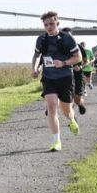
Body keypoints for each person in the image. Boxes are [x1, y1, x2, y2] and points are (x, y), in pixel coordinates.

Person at [31, 11, 82, 152]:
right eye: (46, 24)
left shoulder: (67, 38)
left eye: (52, 24)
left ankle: (72, 120)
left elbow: (78, 57)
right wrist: (35, 69)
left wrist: (64, 63)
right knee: (52, 107)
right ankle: (56, 141)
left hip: (65, 78)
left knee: (66, 111)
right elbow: (36, 55)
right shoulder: (41, 39)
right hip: (49, 78)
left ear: (57, 23)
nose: (49, 27)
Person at [61, 28, 88, 115]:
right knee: (69, 99)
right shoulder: (59, 48)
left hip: (77, 75)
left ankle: (80, 104)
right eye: (65, 35)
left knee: (77, 99)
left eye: (69, 35)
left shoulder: (78, 47)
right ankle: (73, 120)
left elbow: (86, 61)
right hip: (65, 75)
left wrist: (80, 66)